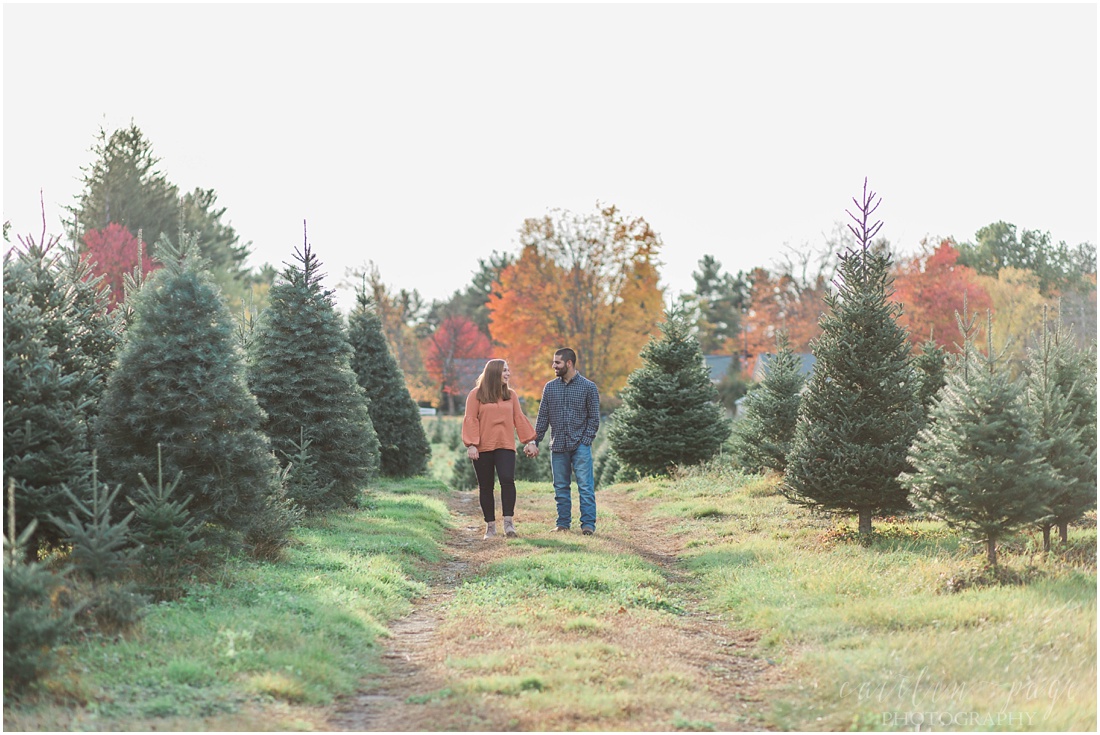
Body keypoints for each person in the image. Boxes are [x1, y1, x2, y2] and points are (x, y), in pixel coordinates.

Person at [462, 359, 537, 540]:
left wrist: (529, 441)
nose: (508, 374)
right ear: (494, 372)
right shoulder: (476, 395)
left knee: (507, 480)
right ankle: (490, 526)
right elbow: (470, 419)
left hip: (505, 445)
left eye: (508, 370)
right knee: (486, 486)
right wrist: (471, 444)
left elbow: (518, 418)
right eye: (504, 370)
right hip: (483, 448)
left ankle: (509, 524)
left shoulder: (510, 395)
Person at [528, 348, 600, 535]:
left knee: (585, 486)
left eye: (557, 363)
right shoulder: (550, 388)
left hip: (580, 446)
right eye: (553, 362)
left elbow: (594, 419)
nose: (554, 366)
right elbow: (543, 417)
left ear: (568, 363)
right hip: (558, 445)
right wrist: (535, 441)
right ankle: (563, 524)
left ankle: (588, 525)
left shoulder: (588, 387)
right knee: (560, 487)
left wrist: (585, 441)